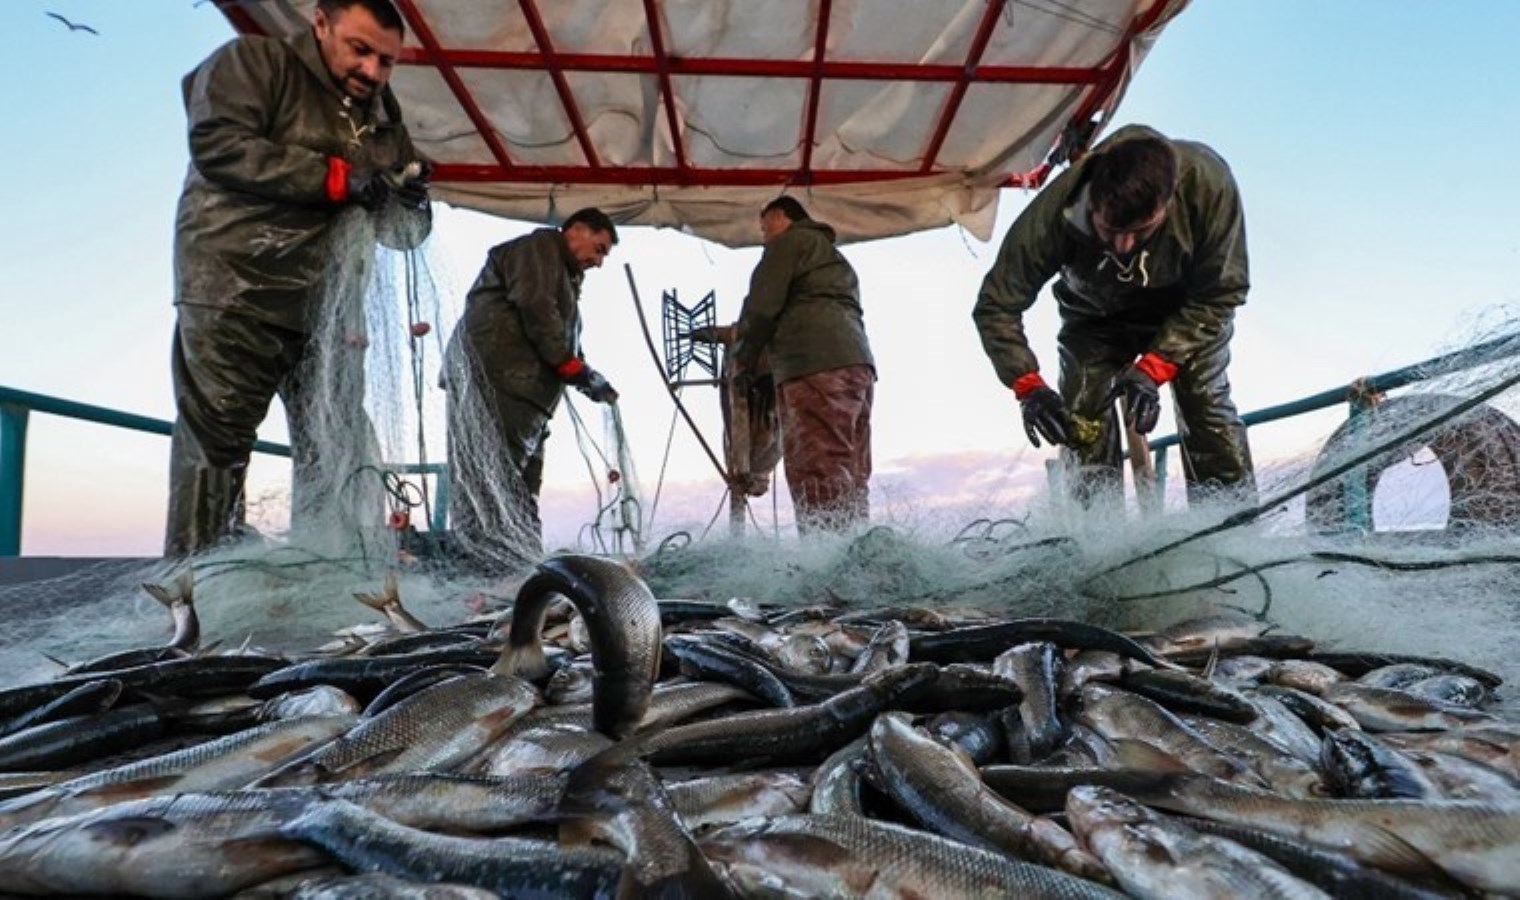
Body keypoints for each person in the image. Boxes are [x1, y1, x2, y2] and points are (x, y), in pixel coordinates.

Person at [164, 0, 432, 557]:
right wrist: (339, 177)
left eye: (386, 62)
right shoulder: (256, 62)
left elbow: (405, 235)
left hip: (331, 313)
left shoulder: (382, 116)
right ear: (320, 23)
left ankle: (327, 581)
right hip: (238, 290)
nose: (372, 72)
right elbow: (218, 142)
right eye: (359, 50)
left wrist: (411, 201)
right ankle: (192, 598)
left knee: (333, 450)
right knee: (218, 446)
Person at [973, 124, 1256, 506]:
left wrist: (1154, 367)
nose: (1122, 246)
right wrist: (1029, 387)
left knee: (1206, 406)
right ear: (1092, 200)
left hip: (1187, 313)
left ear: (1168, 203)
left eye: (1139, 233)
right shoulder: (1057, 209)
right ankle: (1097, 543)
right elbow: (996, 304)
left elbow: (1223, 291)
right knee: (1082, 417)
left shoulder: (1209, 184)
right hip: (1095, 319)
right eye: (1109, 230)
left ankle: (1231, 529)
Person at [442, 209, 620, 571]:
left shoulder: (566, 282)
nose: (599, 262)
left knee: (520, 491)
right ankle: (481, 572)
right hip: (496, 383)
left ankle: (517, 571)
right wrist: (571, 367)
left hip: (529, 398)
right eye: (599, 249)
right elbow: (536, 308)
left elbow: (561, 337)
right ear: (577, 230)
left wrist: (589, 378)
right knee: (489, 481)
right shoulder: (540, 248)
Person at [720, 197, 876, 532]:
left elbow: (761, 308)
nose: (764, 237)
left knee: (816, 465)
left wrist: (743, 358)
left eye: (765, 228)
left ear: (779, 216)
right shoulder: (833, 258)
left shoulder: (789, 243)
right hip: (856, 366)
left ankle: (825, 565)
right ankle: (857, 552)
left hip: (813, 367)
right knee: (852, 469)